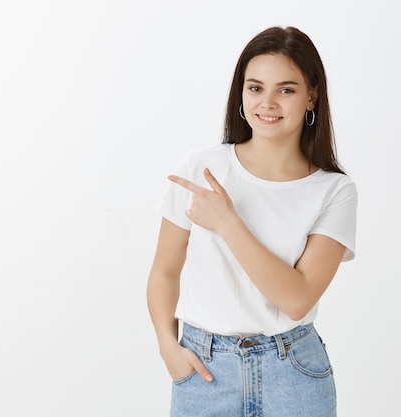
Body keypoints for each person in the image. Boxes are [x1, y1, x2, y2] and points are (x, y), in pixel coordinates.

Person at [146, 26, 357, 417]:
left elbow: (296, 300)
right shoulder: (202, 167)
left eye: (287, 89)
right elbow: (164, 272)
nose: (268, 103)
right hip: (204, 371)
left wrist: (227, 222)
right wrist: (167, 348)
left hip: (292, 374)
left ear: (312, 95)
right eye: (256, 88)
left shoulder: (334, 191)